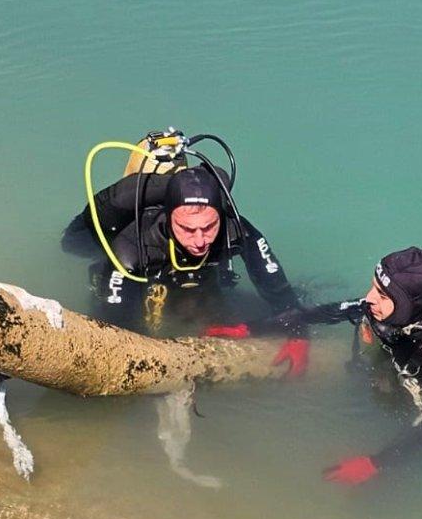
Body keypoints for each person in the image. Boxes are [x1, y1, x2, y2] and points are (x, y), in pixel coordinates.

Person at [206, 247, 422, 484]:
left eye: (382, 295)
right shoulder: (397, 307)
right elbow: (329, 311)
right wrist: (252, 328)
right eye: (374, 287)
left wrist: (376, 463)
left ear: (410, 305)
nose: (370, 298)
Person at [62, 130, 308, 375]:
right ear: (169, 219)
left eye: (209, 227)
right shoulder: (132, 248)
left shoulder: (236, 230)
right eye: (188, 229)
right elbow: (117, 327)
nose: (200, 240)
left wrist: (298, 333)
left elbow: (277, 287)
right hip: (125, 258)